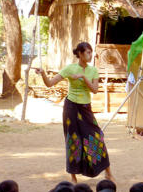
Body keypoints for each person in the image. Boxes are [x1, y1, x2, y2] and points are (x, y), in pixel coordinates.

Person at [35, 42, 114, 183]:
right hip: (71, 108)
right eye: (87, 52)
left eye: (91, 52)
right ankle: (73, 177)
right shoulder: (70, 69)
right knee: (73, 140)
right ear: (80, 54)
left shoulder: (93, 71)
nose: (90, 55)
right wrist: (43, 74)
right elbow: (49, 84)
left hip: (85, 108)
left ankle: (108, 172)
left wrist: (83, 77)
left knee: (96, 137)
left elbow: (95, 90)